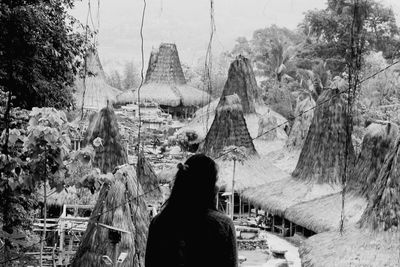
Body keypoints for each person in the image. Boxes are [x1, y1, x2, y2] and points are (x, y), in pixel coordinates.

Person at [145, 154, 238, 267]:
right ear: (208, 186)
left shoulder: (159, 223)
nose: (218, 186)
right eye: (215, 181)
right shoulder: (223, 226)